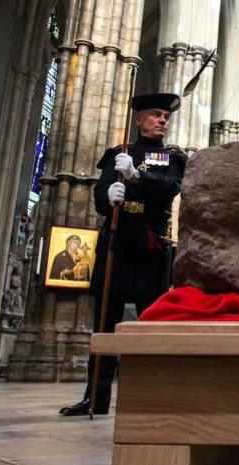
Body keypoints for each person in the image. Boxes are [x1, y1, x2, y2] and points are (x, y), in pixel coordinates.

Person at [59, 92, 186, 416]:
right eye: (156, 115)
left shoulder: (173, 158)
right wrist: (108, 195)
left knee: (151, 326)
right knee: (103, 322)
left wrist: (135, 176)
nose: (162, 121)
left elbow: (171, 188)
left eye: (165, 117)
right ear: (140, 119)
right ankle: (96, 399)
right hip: (116, 246)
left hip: (151, 249)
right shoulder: (118, 154)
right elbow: (100, 196)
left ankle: (148, 398)